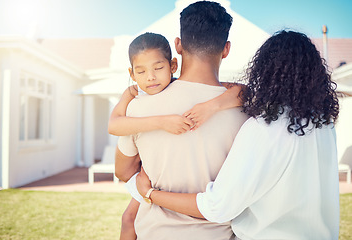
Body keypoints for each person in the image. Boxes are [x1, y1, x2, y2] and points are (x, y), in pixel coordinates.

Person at [136, 30, 340, 240]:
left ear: (266, 71)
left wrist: (150, 194)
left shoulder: (263, 128)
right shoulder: (324, 125)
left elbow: (217, 207)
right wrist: (215, 104)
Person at [114, 1, 249, 239]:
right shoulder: (247, 111)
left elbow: (123, 172)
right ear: (226, 49)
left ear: (177, 45)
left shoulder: (137, 108)